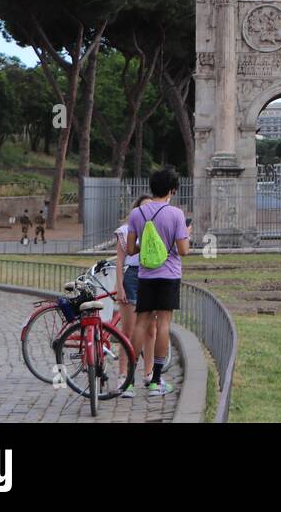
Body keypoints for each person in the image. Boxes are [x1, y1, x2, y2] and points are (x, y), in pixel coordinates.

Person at [123, 168, 190, 396]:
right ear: (172, 190)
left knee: (140, 324)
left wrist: (149, 247)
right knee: (163, 325)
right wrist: (183, 236)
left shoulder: (137, 214)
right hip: (169, 274)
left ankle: (129, 382)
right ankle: (155, 381)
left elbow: (131, 248)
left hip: (146, 276)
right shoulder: (176, 214)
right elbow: (183, 250)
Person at [114, 195, 156, 396]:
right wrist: (119, 285)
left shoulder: (158, 229)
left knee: (151, 329)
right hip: (132, 277)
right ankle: (123, 375)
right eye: (143, 207)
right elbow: (120, 261)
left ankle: (149, 373)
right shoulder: (126, 230)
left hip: (151, 276)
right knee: (128, 330)